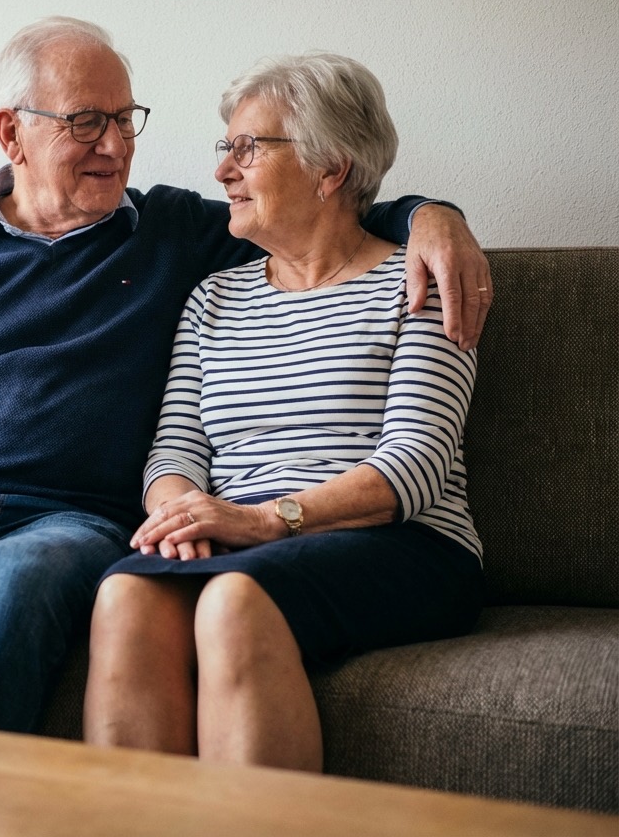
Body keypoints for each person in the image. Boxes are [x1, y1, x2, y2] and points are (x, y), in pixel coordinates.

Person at [0, 17, 491, 734]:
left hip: (66, 522)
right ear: (13, 134)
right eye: (86, 123)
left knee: (17, 579)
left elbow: (325, 217)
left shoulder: (175, 233)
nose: (115, 145)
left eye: (124, 120)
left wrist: (432, 215)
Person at [82, 52, 483, 772]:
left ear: (331, 168)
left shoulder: (419, 279)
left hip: (404, 546)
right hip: (244, 541)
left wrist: (266, 520)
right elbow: (176, 451)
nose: (222, 171)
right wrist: (179, 516)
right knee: (126, 595)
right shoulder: (214, 298)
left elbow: (416, 465)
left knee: (235, 600)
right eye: (224, 147)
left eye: (248, 148)